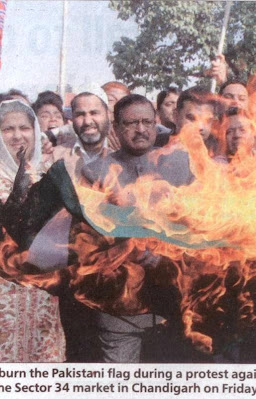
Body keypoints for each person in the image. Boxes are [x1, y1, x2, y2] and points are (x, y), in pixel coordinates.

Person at [81, 94, 193, 362]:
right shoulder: (95, 172)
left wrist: (169, 254)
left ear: (156, 124)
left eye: (146, 122)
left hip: (174, 304)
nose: (140, 130)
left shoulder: (181, 164)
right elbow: (88, 241)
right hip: (120, 310)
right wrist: (127, 250)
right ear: (116, 129)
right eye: (131, 123)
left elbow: (197, 226)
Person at [0, 100, 66, 362]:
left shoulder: (50, 177)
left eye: (24, 128)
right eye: (8, 129)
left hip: (41, 298)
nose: (18, 136)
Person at [50, 92, 111, 179]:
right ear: (72, 118)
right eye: (80, 115)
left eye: (94, 113)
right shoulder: (55, 157)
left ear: (108, 114)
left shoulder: (121, 155)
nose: (87, 121)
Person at [155, 86, 220, 156]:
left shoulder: (218, 153)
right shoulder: (155, 146)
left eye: (207, 120)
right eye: (192, 118)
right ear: (176, 116)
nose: (200, 127)